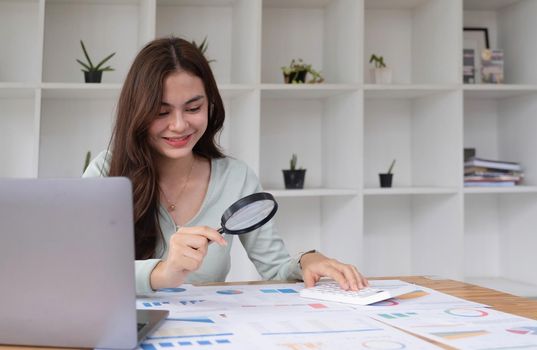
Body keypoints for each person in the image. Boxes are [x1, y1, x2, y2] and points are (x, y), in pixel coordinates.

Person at [83, 37, 368, 294]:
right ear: (138, 112)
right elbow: (83, 270)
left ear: (211, 105)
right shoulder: (106, 172)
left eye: (193, 108)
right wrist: (162, 272)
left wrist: (308, 260)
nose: (179, 125)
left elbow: (276, 268)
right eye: (161, 111)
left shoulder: (236, 177)